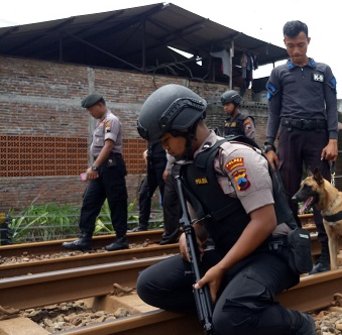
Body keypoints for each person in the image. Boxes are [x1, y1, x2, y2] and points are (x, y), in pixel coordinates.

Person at [135, 84, 314, 334]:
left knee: (229, 320)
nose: (164, 147)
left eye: (166, 139)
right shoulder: (189, 167)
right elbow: (200, 222)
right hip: (230, 252)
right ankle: (230, 302)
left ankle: (299, 325)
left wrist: (220, 268)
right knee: (150, 285)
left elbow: (264, 222)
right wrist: (189, 237)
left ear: (185, 128)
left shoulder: (236, 158)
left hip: (271, 253)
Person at [264, 20, 338, 274]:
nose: (296, 51)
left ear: (308, 41)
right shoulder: (278, 74)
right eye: (291, 45)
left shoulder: (323, 71)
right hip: (289, 135)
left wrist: (333, 139)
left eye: (301, 45)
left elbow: (332, 106)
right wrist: (269, 145)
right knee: (287, 195)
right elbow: (273, 111)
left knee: (322, 194)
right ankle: (297, 252)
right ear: (285, 43)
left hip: (318, 137)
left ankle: (327, 256)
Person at [63, 93, 128, 251]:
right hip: (101, 166)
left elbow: (108, 146)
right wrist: (96, 166)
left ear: (100, 105)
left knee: (116, 202)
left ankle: (121, 239)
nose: (90, 113)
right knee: (89, 200)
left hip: (111, 166)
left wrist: (94, 167)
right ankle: (85, 238)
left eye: (91, 109)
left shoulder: (111, 120)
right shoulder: (101, 122)